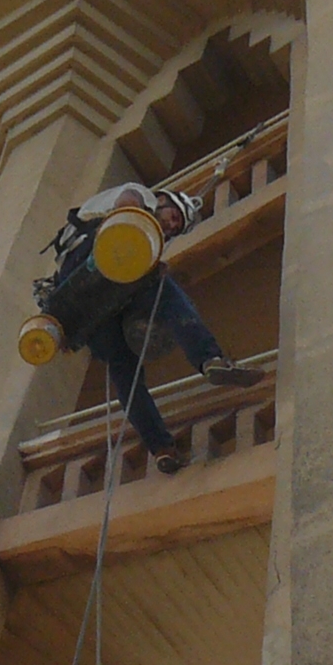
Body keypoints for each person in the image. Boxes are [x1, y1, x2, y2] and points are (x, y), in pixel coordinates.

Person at [40, 181, 257, 473]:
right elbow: (127, 202)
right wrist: (146, 260)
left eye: (176, 228)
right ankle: (209, 359)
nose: (171, 226)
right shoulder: (139, 197)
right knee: (165, 292)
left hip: (92, 305)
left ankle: (161, 448)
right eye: (174, 218)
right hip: (92, 257)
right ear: (162, 201)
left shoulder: (141, 239)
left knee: (125, 370)